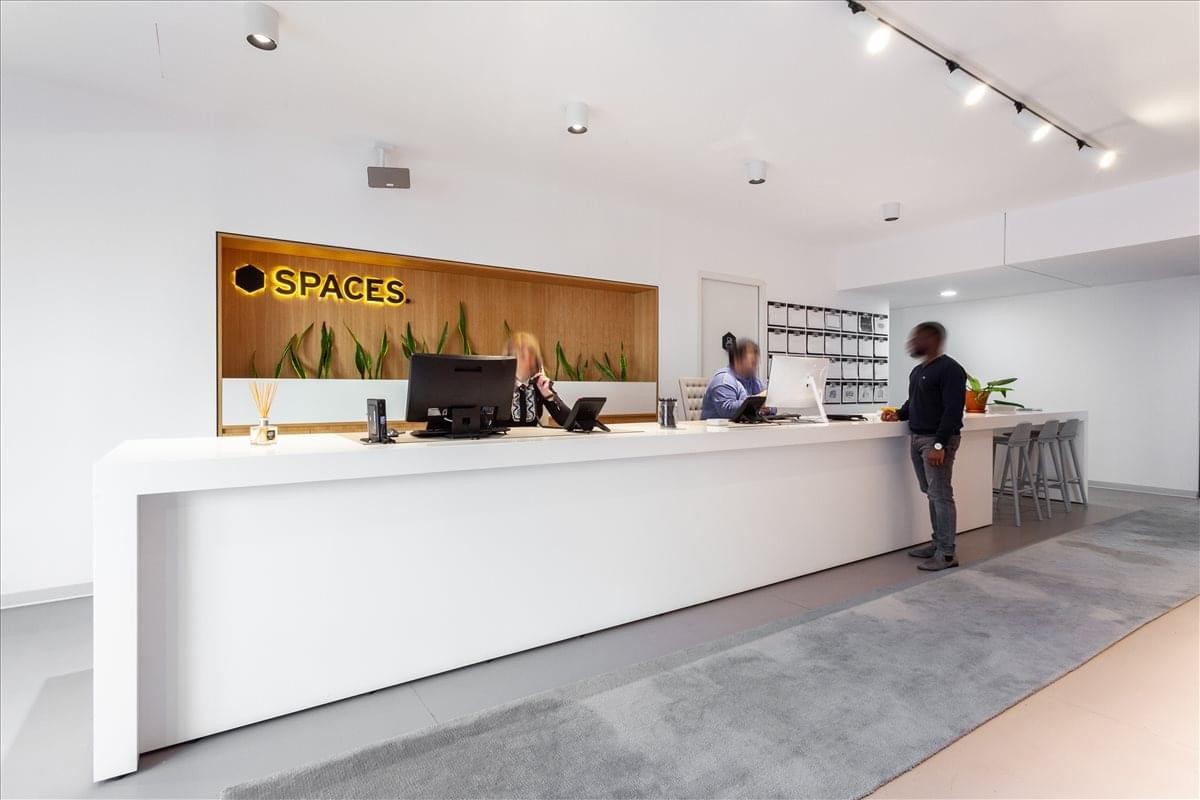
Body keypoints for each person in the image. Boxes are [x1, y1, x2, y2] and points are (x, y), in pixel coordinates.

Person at [881, 322, 967, 571]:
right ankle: (938, 544)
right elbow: (914, 401)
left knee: (940, 494)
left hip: (936, 441)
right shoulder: (918, 371)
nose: (911, 343)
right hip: (917, 438)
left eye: (916, 338)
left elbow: (952, 410)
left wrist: (939, 444)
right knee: (932, 492)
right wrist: (898, 414)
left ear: (933, 339)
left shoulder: (951, 369)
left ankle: (947, 554)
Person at [502, 331, 570, 427]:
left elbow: (569, 422)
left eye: (532, 356)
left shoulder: (538, 383)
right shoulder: (498, 384)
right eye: (523, 356)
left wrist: (549, 395)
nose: (529, 361)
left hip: (533, 440)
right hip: (501, 441)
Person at [701, 337, 767, 420]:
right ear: (737, 359)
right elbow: (727, 411)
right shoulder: (723, 379)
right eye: (752, 362)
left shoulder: (753, 380)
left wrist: (767, 407)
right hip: (717, 431)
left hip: (742, 429)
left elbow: (772, 407)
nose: (757, 364)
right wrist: (758, 401)